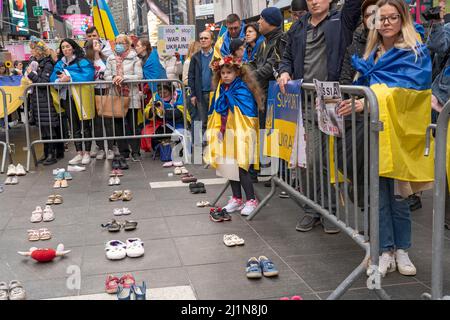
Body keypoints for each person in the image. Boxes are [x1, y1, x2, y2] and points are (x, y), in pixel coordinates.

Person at [352, 0, 433, 277]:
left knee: (399, 195)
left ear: (403, 20)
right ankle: (385, 249)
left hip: (400, 135)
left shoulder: (415, 51)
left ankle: (403, 249)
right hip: (377, 132)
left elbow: (414, 93)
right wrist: (357, 101)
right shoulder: (371, 53)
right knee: (379, 194)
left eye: (392, 17)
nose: (386, 22)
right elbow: (365, 88)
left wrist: (372, 100)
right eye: (381, 18)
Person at [278, 0, 362, 234]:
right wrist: (284, 72)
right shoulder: (298, 26)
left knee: (326, 161)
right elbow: (286, 57)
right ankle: (314, 209)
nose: (314, 1)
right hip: (305, 102)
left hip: (334, 102)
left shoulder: (342, 19)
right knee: (310, 161)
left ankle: (329, 210)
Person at [205, 55, 263, 216]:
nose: (225, 75)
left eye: (229, 72)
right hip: (226, 133)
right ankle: (237, 198)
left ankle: (251, 199)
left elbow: (248, 114)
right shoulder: (221, 89)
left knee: (241, 167)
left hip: (240, 133)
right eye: (222, 73)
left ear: (237, 73)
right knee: (228, 166)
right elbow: (216, 111)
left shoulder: (242, 89)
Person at [50, 38, 95, 166]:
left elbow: (88, 75)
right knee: (74, 125)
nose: (65, 49)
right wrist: (60, 81)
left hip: (81, 97)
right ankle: (79, 152)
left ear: (73, 47)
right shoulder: (59, 64)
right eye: (63, 47)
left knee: (85, 125)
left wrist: (69, 77)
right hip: (67, 97)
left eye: (67, 46)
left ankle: (87, 152)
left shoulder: (83, 61)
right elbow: (53, 78)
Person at [104, 34, 143, 162]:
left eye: (122, 42)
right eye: (117, 43)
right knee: (118, 125)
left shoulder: (135, 58)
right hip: (116, 95)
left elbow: (139, 77)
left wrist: (124, 78)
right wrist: (114, 78)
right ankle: (123, 151)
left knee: (133, 125)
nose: (119, 45)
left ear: (127, 44)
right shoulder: (110, 59)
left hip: (131, 96)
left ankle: (136, 151)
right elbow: (106, 76)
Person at [250, 7, 287, 129]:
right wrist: (238, 69)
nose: (258, 22)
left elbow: (270, 67)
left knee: (270, 134)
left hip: (273, 97)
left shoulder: (281, 40)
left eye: (261, 18)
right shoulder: (263, 43)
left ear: (270, 22)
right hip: (261, 94)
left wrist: (246, 76)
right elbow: (254, 63)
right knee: (261, 132)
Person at [26, 38, 61, 166]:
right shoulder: (34, 62)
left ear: (39, 50)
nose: (31, 51)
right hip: (37, 100)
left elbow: (43, 83)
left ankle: (53, 154)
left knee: (49, 127)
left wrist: (31, 75)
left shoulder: (47, 63)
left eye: (33, 48)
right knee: (43, 127)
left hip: (46, 99)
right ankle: (46, 153)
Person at [84, 39, 115, 161]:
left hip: (106, 91)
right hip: (93, 92)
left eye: (99, 43)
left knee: (108, 120)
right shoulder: (87, 61)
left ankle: (111, 148)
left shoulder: (106, 59)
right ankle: (100, 147)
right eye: (95, 43)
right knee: (97, 122)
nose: (98, 44)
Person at [188, 31, 214, 132]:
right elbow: (191, 77)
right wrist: (193, 94)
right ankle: (203, 145)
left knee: (214, 119)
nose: (203, 40)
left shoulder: (217, 55)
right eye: (201, 38)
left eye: (206, 38)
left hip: (214, 93)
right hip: (200, 94)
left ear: (212, 40)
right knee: (202, 121)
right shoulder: (195, 57)